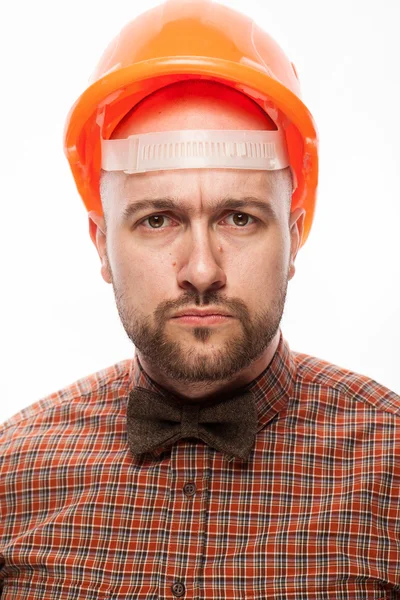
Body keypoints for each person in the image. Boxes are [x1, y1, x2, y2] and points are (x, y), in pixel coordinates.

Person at [1, 0, 399, 598]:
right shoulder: (12, 476)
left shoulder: (392, 470)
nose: (202, 269)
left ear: (296, 234)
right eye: (158, 219)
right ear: (102, 245)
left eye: (239, 218)